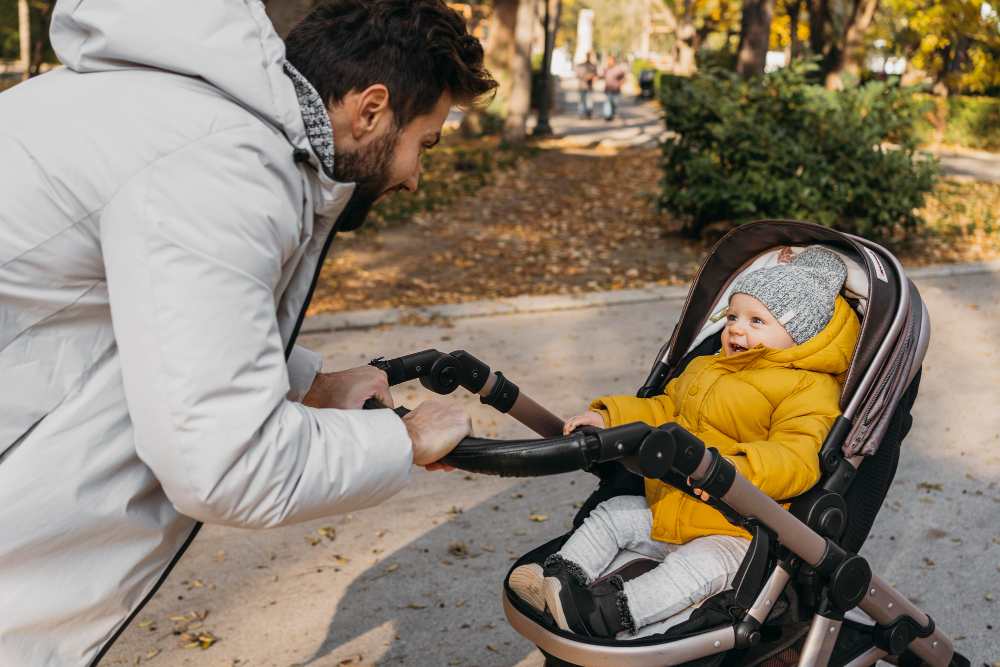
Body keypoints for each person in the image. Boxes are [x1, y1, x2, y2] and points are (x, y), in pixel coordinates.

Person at [0, 0, 496, 664]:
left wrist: (309, 385)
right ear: (371, 109)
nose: (413, 176)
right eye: (423, 144)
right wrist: (400, 440)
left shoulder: (188, 111)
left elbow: (144, 323)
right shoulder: (223, 164)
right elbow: (224, 461)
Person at [509, 247, 861, 637]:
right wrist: (609, 417)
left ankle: (609, 612)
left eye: (757, 320)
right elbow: (663, 409)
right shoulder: (705, 368)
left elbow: (797, 457)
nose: (735, 329)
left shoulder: (808, 388)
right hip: (673, 505)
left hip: (738, 530)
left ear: (799, 332)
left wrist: (732, 470)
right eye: (731, 317)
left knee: (694, 570)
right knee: (613, 513)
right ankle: (558, 577)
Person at [602, 55, 626, 121]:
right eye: (608, 60)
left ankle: (612, 113)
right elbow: (603, 76)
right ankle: (607, 115)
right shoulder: (606, 69)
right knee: (607, 102)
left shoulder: (618, 69)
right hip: (608, 89)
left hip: (615, 89)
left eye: (610, 60)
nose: (609, 62)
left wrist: (622, 81)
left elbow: (623, 77)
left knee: (615, 103)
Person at [575, 51, 598, 119]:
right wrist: (585, 76)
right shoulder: (581, 65)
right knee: (582, 100)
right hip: (582, 85)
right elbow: (578, 74)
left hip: (589, 86)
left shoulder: (593, 65)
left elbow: (596, 75)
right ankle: (581, 113)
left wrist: (592, 77)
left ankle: (588, 113)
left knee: (589, 100)